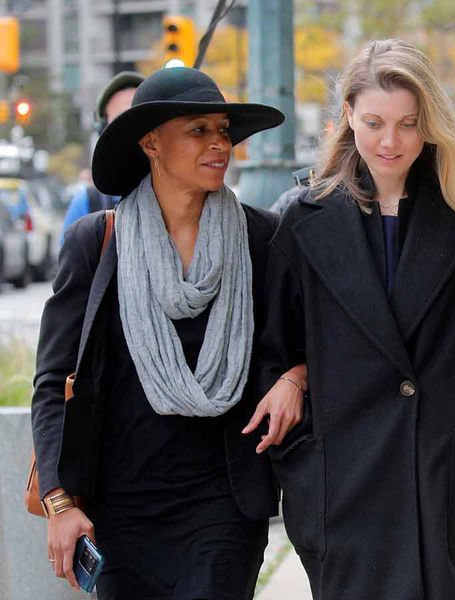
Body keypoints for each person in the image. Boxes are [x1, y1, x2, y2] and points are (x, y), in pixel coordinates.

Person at [245, 39, 455, 600]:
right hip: (340, 483)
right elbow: (272, 346)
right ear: (347, 115)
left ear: (432, 124)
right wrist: (300, 458)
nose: (390, 141)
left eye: (408, 123)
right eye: (374, 121)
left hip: (440, 477)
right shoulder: (301, 220)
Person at [32, 67, 307, 600]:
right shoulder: (97, 243)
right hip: (120, 506)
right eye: (198, 130)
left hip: (224, 503)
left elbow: (303, 343)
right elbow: (53, 381)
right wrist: (59, 501)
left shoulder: (260, 238)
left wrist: (297, 375)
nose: (219, 144)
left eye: (223, 130)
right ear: (151, 143)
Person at [60, 72, 144, 243]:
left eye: (139, 116)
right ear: (104, 131)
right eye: (122, 119)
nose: (132, 127)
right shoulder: (88, 203)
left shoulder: (185, 194)